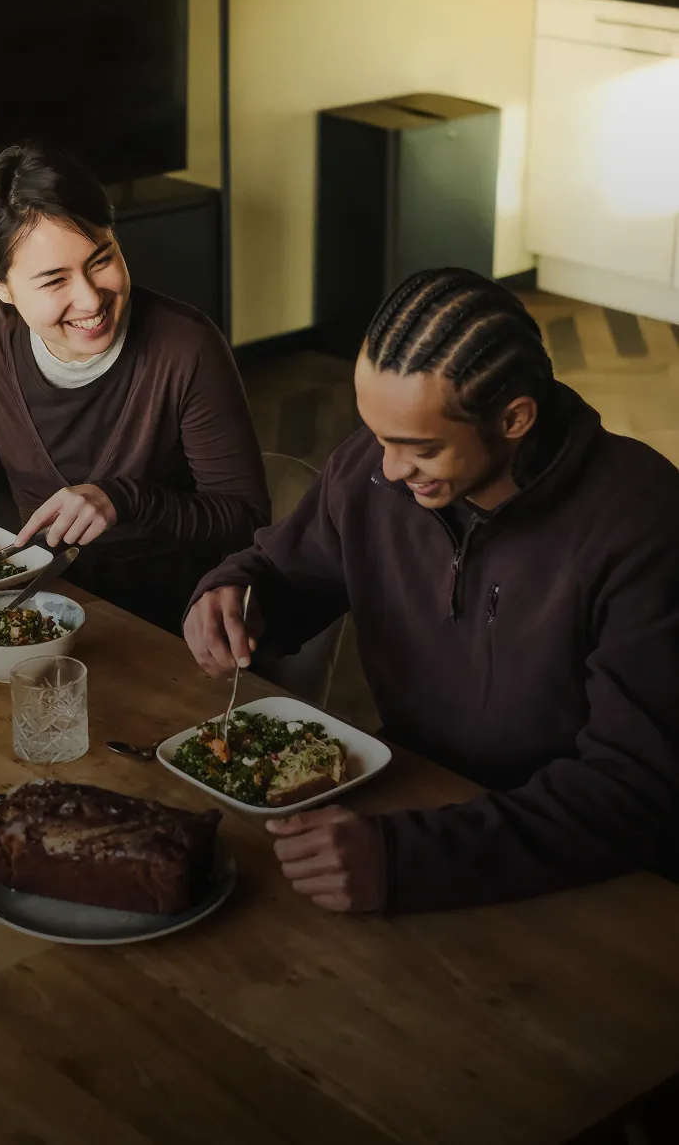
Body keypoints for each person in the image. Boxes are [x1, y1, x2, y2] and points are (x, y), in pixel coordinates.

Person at [184, 267, 679, 915]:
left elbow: (632, 789)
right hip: (410, 796)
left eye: (417, 448)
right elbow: (281, 571)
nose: (388, 468)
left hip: (582, 864)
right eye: (378, 435)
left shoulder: (644, 521)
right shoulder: (375, 470)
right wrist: (233, 590)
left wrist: (408, 857)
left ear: (514, 418)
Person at [0, 141, 269, 633]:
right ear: (0, 285)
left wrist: (125, 499)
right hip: (36, 601)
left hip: (165, 621)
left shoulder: (186, 347)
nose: (89, 298)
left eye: (101, 260)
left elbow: (244, 518)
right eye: (55, 280)